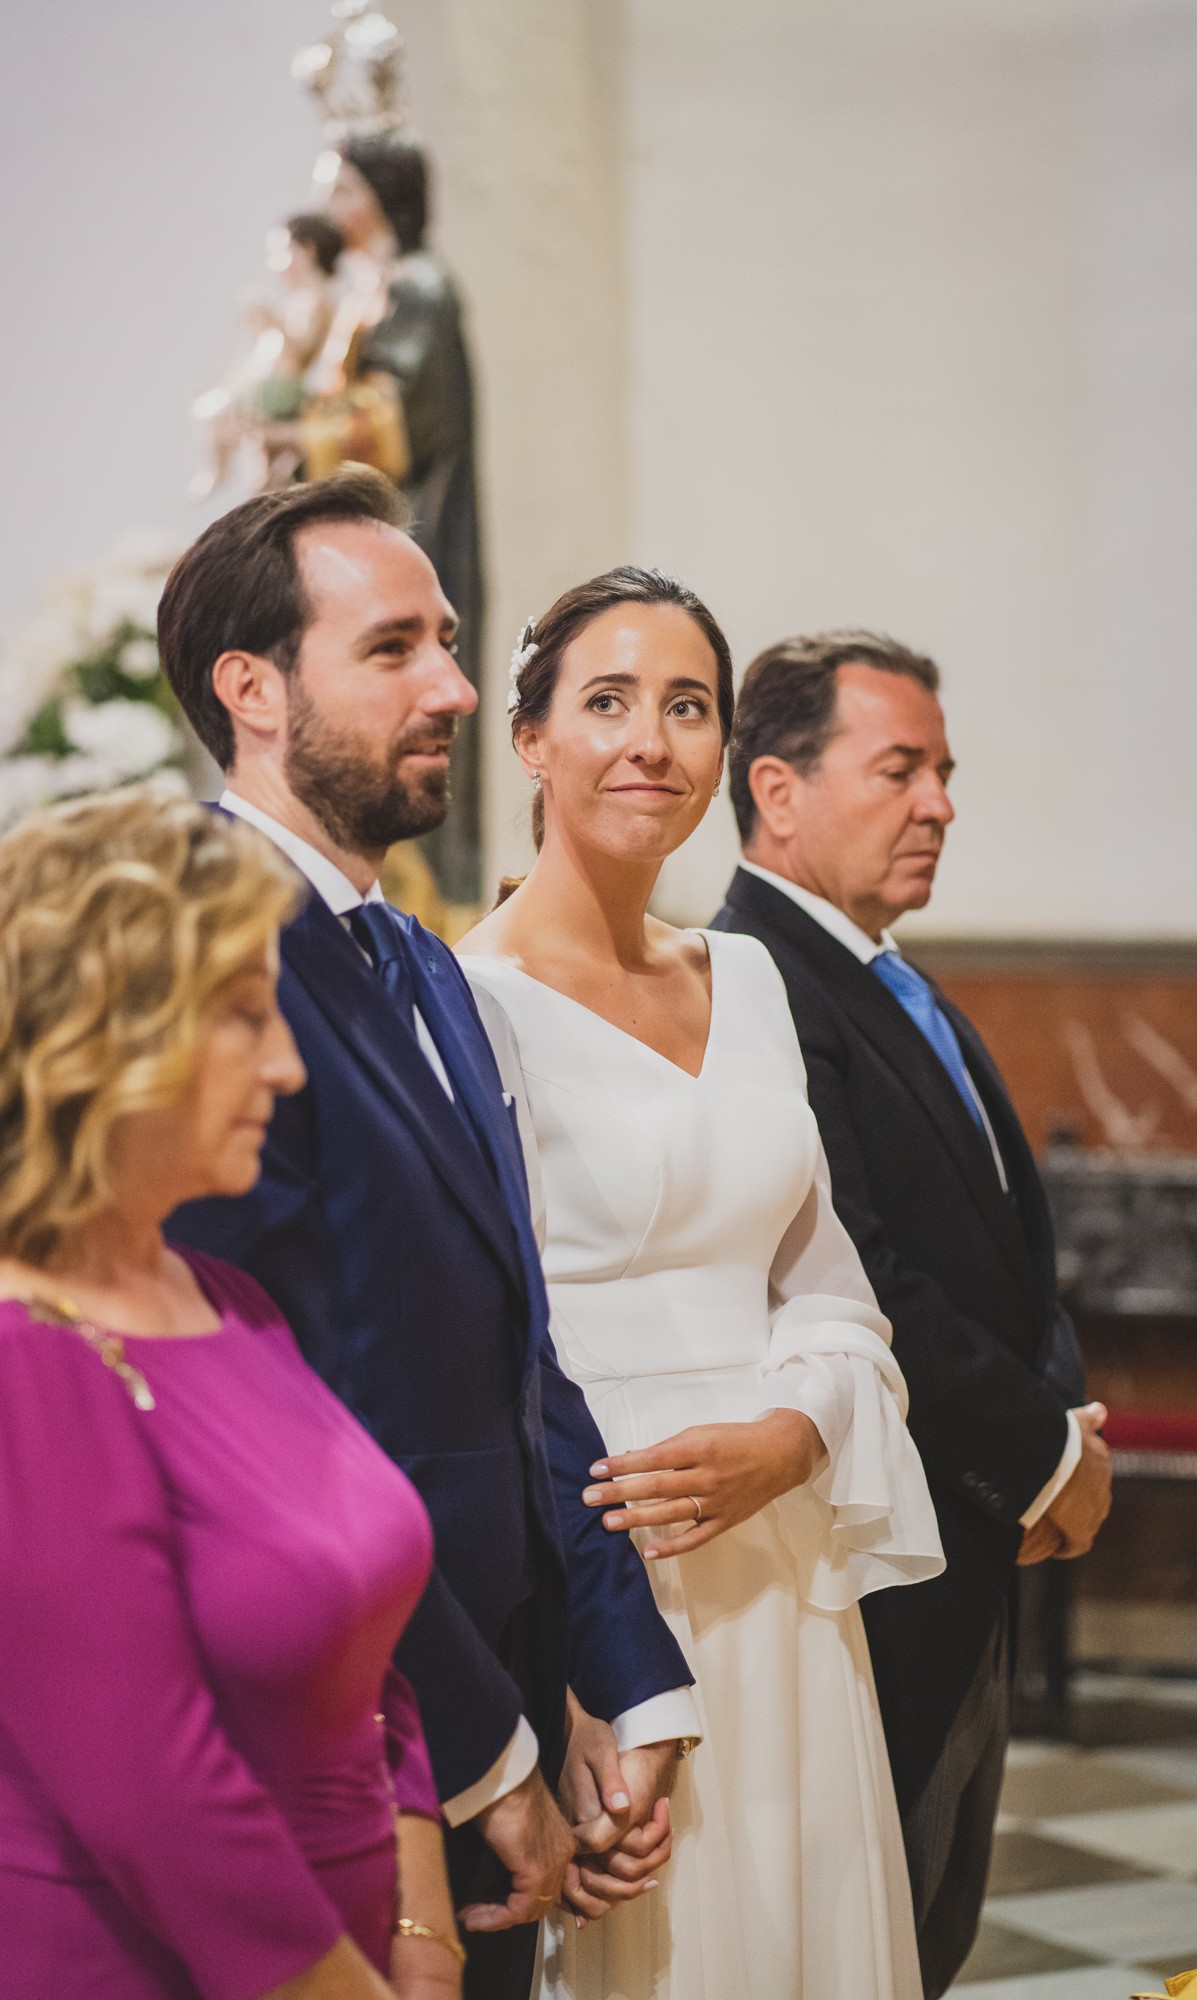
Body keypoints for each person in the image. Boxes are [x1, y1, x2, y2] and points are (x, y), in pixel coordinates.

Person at [157, 471, 701, 2000]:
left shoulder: (418, 961)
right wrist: (478, 1748)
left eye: (449, 642)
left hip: (495, 1674)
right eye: (394, 648)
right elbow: (266, 1422)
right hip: (343, 1733)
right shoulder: (200, 957)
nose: (457, 688)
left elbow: (520, 1351)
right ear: (252, 690)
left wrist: (623, 1676)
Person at [0, 788, 461, 2000]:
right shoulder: (4, 1365)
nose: (288, 1064)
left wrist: (425, 1926)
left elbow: (364, 1654)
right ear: (97, 1036)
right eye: (244, 1017)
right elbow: (159, 1796)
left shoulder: (224, 1296)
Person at [457, 570, 944, 2000]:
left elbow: (830, 1283)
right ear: (530, 739)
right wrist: (557, 1667)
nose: (650, 743)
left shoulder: (752, 979)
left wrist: (799, 1435)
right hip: (615, 1569)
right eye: (605, 702)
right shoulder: (465, 1001)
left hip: (788, 1567)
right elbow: (482, 1351)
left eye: (686, 708)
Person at [710, 631, 1111, 1997]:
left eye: (942, 771)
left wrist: (1057, 1422)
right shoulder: (756, 982)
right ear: (777, 789)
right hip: (885, 1561)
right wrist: (1047, 1454)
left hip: (971, 1522)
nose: (941, 802)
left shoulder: (884, 973)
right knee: (873, 1934)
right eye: (900, 769)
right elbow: (862, 1272)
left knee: (928, 1933)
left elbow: (1006, 1246)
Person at [316, 132, 485, 907]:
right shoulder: (371, 287)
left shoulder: (419, 287)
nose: (332, 209)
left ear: (385, 198)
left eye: (346, 190)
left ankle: (424, 901)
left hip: (420, 527)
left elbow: (392, 417)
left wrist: (298, 431)